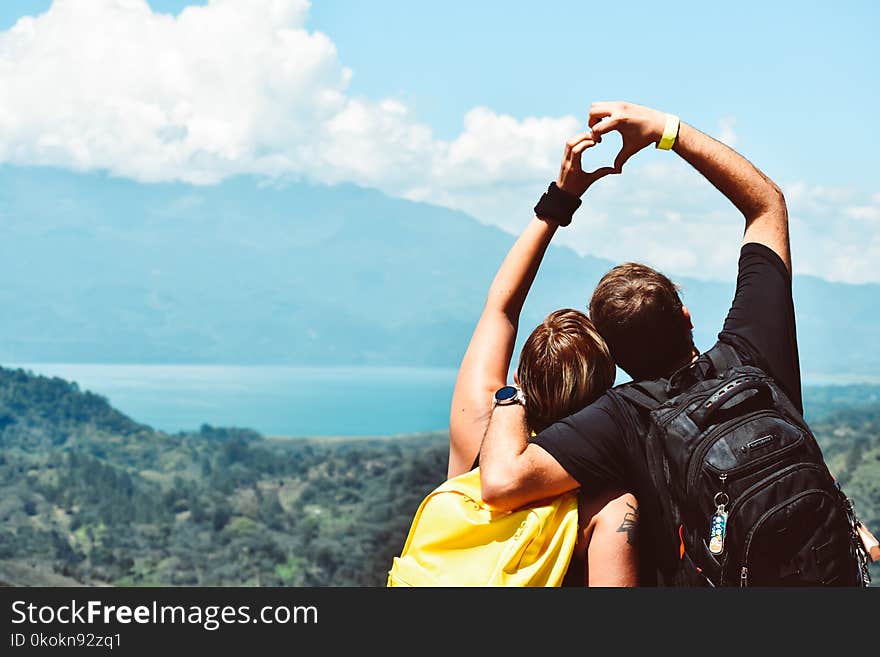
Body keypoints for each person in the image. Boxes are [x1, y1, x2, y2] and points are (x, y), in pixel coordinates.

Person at [476, 100, 813, 586]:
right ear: (686, 317)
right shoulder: (754, 353)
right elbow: (766, 203)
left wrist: (514, 395)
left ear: (612, 355)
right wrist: (665, 130)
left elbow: (502, 480)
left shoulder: (621, 419)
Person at [447, 131, 639, 586]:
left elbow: (501, 306)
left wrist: (561, 200)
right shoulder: (608, 503)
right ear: (603, 395)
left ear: (519, 377)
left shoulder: (478, 427)